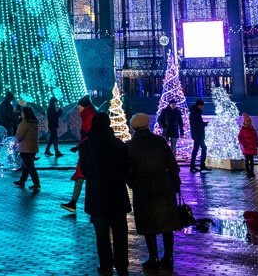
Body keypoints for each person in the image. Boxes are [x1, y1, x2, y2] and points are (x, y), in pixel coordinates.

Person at [126, 113, 180, 271]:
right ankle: (169, 256)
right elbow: (172, 164)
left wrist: (133, 184)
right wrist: (175, 184)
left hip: (143, 187)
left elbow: (128, 170)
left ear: (134, 127)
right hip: (164, 186)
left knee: (148, 223)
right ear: (147, 125)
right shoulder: (160, 141)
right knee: (167, 224)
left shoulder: (130, 145)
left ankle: (153, 257)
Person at [81, 112, 131, 276]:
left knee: (101, 236)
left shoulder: (86, 146)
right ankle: (122, 265)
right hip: (117, 195)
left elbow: (84, 169)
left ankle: (106, 266)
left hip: (97, 196)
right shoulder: (119, 145)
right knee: (120, 235)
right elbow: (126, 168)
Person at [62, 95, 95, 213]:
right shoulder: (89, 115)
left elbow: (88, 135)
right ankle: (76, 203)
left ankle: (75, 203)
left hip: (88, 152)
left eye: (79, 106)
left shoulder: (89, 117)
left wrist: (81, 146)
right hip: (86, 150)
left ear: (84, 106)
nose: (78, 108)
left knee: (82, 175)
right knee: (83, 176)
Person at [13, 105, 41, 190]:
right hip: (33, 148)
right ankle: (22, 181)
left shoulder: (24, 123)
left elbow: (19, 136)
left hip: (25, 148)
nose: (21, 114)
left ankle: (36, 183)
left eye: (22, 112)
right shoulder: (34, 122)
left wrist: (14, 141)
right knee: (26, 166)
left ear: (25, 114)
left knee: (29, 166)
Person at [238, 113, 258, 179]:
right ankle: (248, 172)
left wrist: (256, 144)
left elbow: (255, 137)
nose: (248, 122)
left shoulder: (252, 130)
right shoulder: (243, 130)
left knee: (252, 161)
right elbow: (240, 138)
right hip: (247, 147)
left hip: (252, 147)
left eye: (249, 121)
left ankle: (252, 171)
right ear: (244, 122)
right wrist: (244, 144)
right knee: (247, 160)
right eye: (247, 121)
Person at [188, 99, 208, 173]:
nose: (202, 107)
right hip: (198, 134)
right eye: (202, 105)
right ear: (199, 105)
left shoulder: (194, 112)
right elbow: (197, 123)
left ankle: (192, 166)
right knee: (204, 147)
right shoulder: (195, 112)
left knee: (195, 149)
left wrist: (203, 123)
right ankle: (202, 165)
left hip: (196, 133)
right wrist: (204, 124)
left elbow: (197, 122)